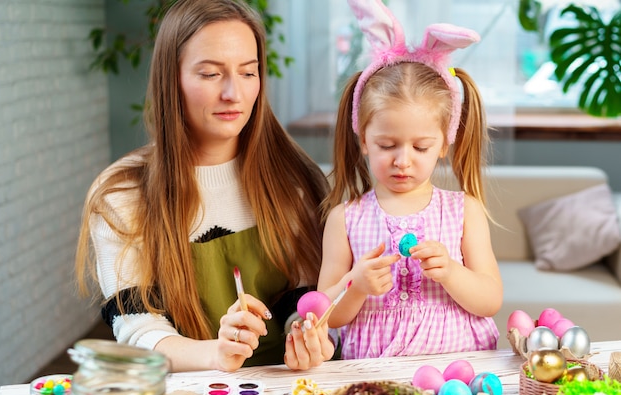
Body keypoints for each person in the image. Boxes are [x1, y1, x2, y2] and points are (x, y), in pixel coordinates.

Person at [75, 0, 334, 372]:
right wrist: (215, 354)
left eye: (248, 72)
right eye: (211, 74)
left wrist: (305, 334)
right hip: (191, 393)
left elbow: (305, 298)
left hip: (293, 387)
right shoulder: (121, 195)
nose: (234, 93)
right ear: (172, 79)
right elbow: (137, 327)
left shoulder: (294, 179)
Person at [317, 0, 503, 360]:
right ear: (364, 141)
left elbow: (490, 300)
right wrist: (356, 286)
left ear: (444, 144)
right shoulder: (345, 218)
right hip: (374, 377)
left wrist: (450, 271)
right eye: (387, 145)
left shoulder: (465, 211)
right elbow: (325, 313)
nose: (403, 161)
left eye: (421, 147)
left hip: (457, 372)